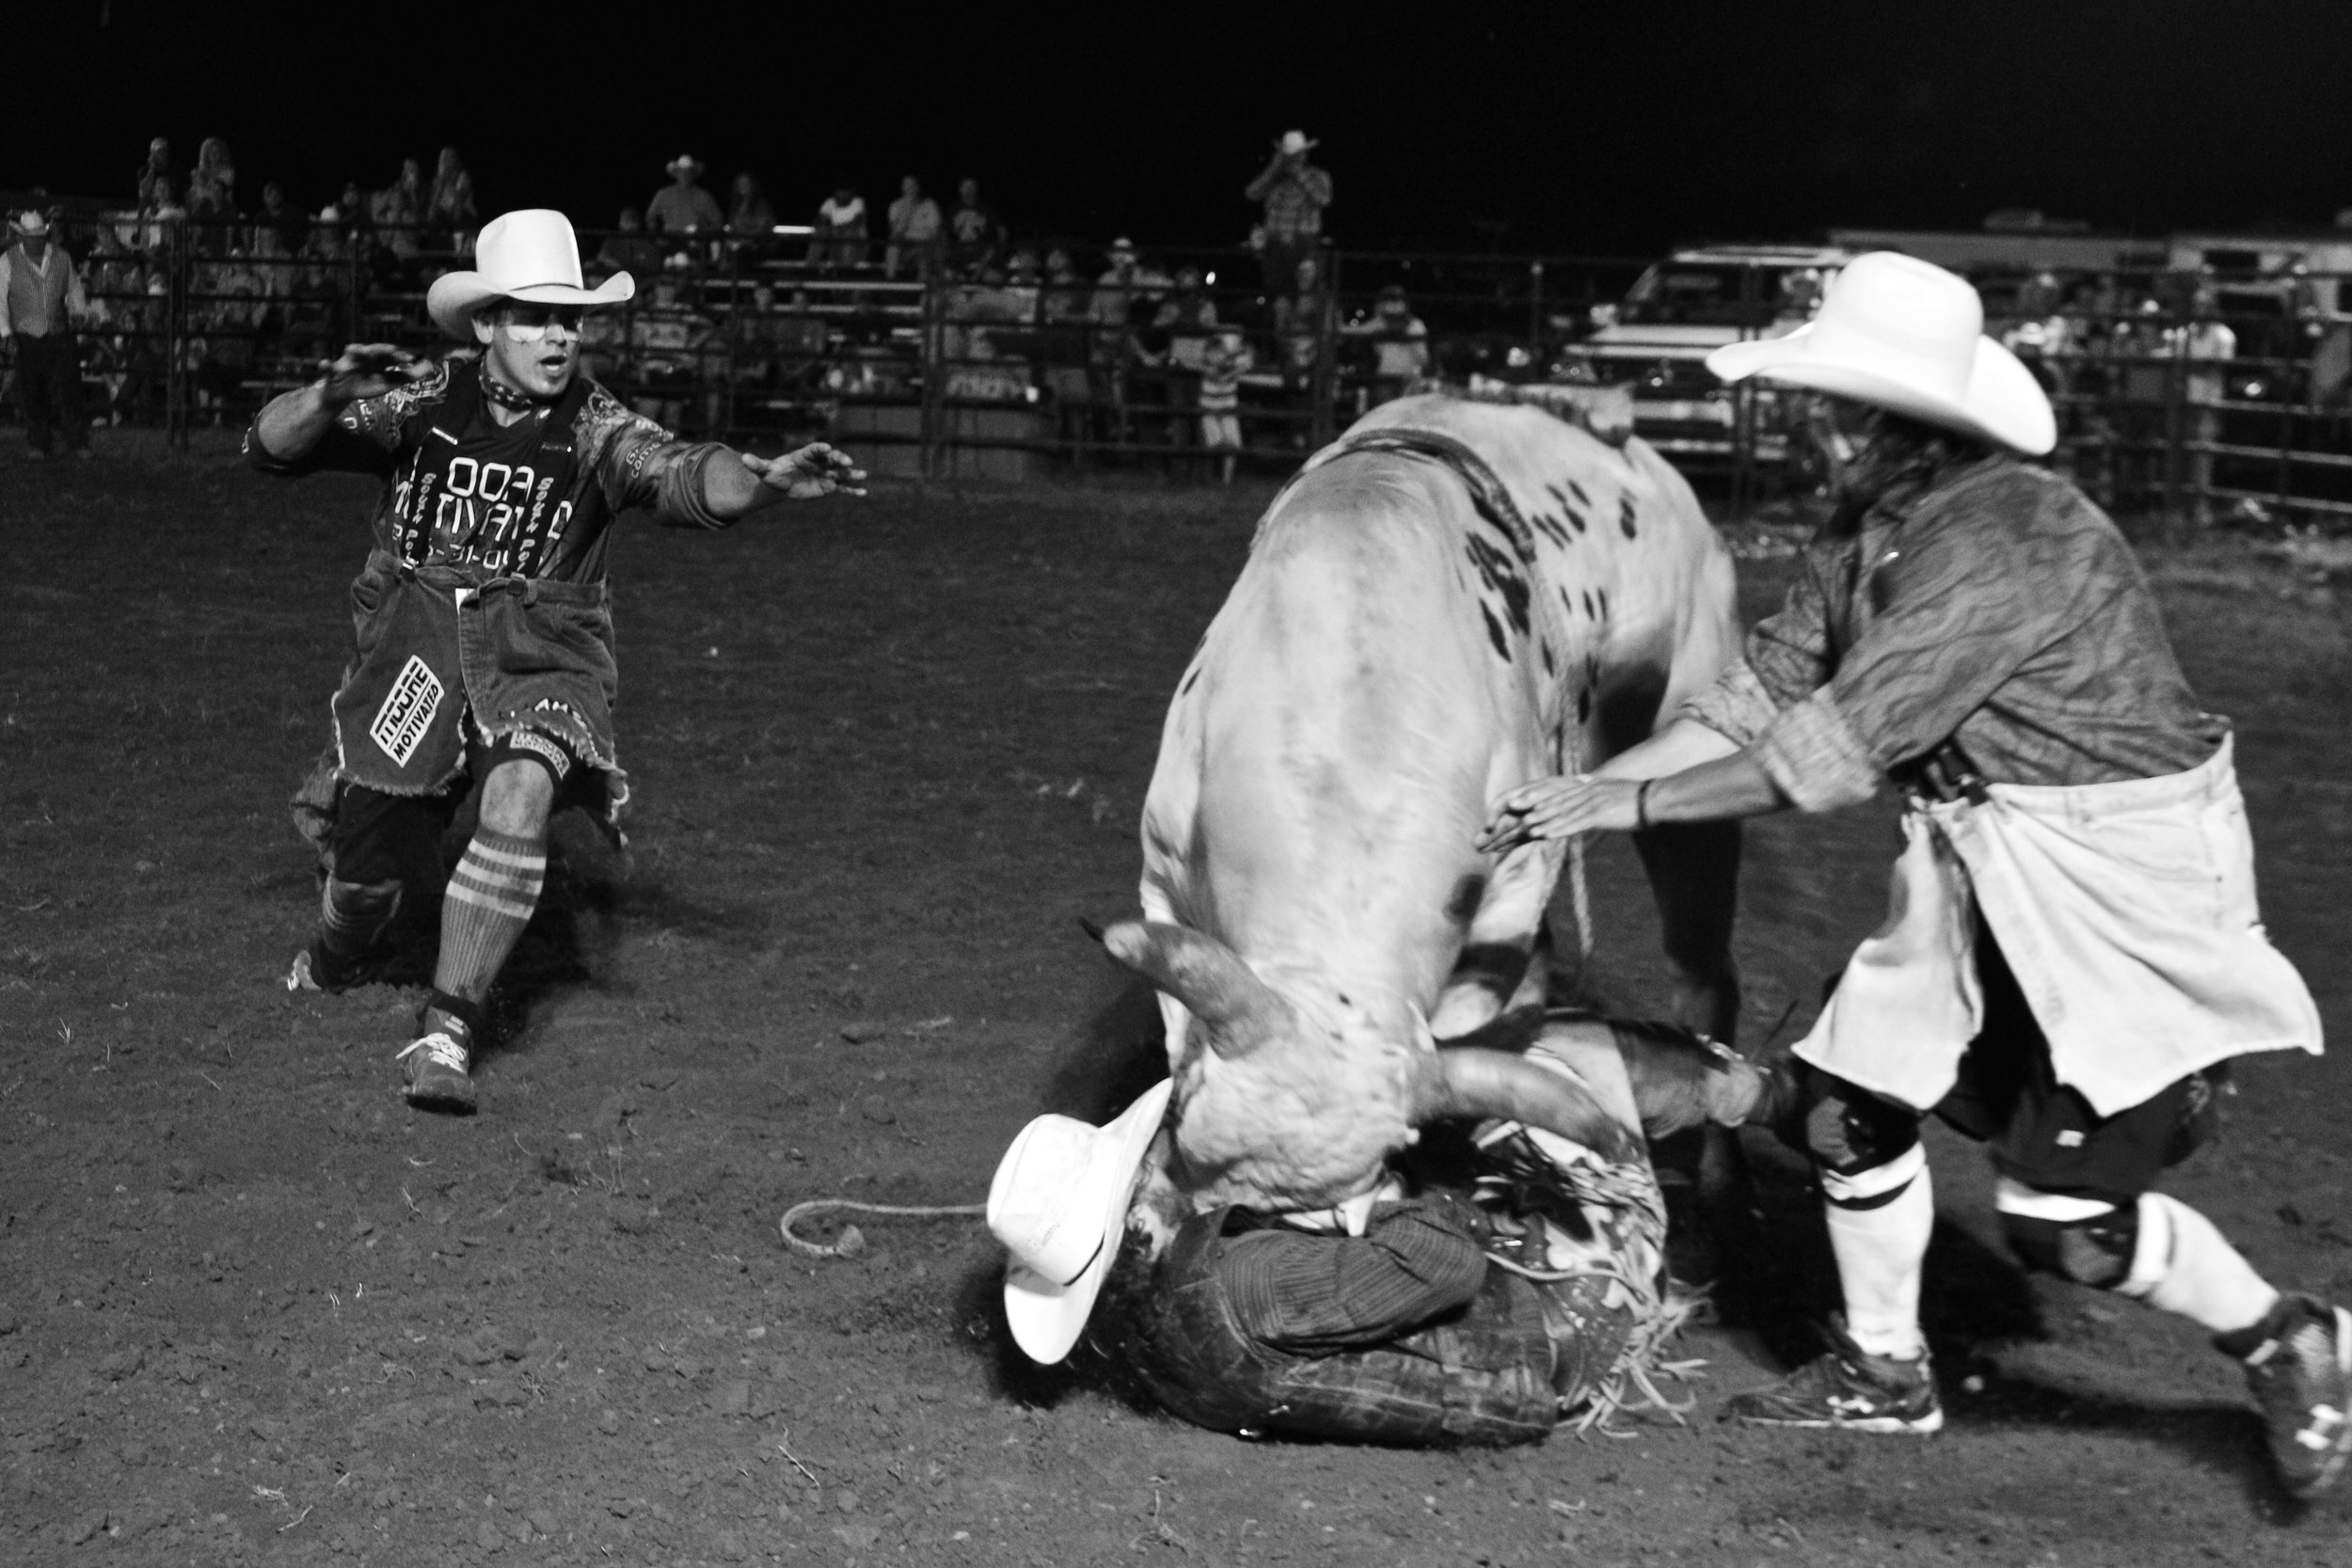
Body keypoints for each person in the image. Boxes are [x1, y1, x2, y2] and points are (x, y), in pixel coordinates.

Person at [1479, 252, 2348, 1498]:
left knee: (2067, 1226)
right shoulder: (1870, 531)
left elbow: (1825, 756)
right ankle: (1882, 1372)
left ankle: (2290, 1332)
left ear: (1900, 422)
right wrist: (1577, 800)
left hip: (2117, 879)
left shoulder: (2009, 542)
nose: (1815, 426)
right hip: (1975, 849)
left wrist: (1627, 800)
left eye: (1834, 406)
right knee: (1848, 1104)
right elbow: (1760, 693)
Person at [250, 209, 864, 1115]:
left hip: (539, 652)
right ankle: (338, 953)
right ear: (489, 324)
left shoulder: (595, 426)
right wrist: (328, 394)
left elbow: (683, 474)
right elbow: (270, 449)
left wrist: (764, 482)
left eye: (569, 319)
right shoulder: (423, 402)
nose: (557, 336)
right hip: (414, 648)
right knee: (366, 883)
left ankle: (447, 1028)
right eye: (536, 317)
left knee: (523, 789)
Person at [989, 1014, 1709, 1444]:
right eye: (1144, 1172)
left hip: (1493, 1374)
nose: (1162, 1165)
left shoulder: (1152, 1349)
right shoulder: (1242, 1280)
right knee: (1554, 1047)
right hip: (1568, 1330)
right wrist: (1394, 1187)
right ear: (1136, 1220)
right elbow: (1444, 1264)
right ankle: (1755, 1094)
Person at [1, 211, 93, 458]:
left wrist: (78, 311)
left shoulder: (61, 258)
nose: (37, 241)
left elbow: (73, 287)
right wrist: (6, 333)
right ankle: (40, 442)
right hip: (26, 334)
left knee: (69, 387)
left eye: (39, 236)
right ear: (22, 238)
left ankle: (75, 440)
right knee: (33, 391)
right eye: (32, 237)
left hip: (56, 331)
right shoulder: (7, 261)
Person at [2169, 289, 2236, 526]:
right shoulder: (2183, 334)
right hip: (2185, 401)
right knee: (2182, 456)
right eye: (2197, 305)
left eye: (2206, 305)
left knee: (2203, 457)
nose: (2201, 310)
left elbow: (2215, 367)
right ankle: (2180, 509)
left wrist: (2188, 365)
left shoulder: (2223, 335)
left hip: (2209, 402)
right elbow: (2182, 368)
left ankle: (2201, 508)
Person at [1246, 130, 1333, 295]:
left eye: (1297, 155)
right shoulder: (1274, 178)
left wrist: (1299, 175)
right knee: (1278, 297)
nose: (1293, 159)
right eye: (1289, 156)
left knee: (1305, 296)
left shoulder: (1318, 176)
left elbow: (1323, 199)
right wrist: (1274, 169)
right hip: (1275, 244)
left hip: (1304, 244)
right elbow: (1252, 193)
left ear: (1305, 155)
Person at [1343, 283, 1430, 404]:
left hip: (1404, 379)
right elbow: (1423, 358)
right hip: (1392, 379)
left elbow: (1422, 357)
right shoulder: (1383, 323)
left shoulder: (1413, 326)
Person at [1197, 324, 1252, 484]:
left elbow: (1248, 362)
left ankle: (1226, 480)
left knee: (1233, 444)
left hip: (1228, 404)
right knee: (1214, 444)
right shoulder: (1210, 355)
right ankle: (1207, 478)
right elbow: (1213, 371)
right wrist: (1232, 369)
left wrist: (1234, 368)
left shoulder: (1238, 358)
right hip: (1209, 406)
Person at [647, 154, 723, 239]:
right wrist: (657, 237)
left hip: (695, 242)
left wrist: (702, 231)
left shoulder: (704, 196)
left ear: (693, 174)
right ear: (676, 174)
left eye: (688, 172)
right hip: (669, 240)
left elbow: (718, 222)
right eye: (681, 172)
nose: (684, 176)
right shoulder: (663, 194)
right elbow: (650, 217)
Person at [884, 176, 942, 279]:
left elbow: (934, 231)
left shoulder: (930, 205)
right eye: (907, 186)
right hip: (905, 247)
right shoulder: (895, 206)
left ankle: (922, 289)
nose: (911, 188)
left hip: (924, 245)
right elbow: (896, 233)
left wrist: (918, 238)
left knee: (925, 251)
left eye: (913, 185)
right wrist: (908, 209)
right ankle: (890, 282)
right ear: (902, 188)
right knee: (893, 246)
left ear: (918, 187)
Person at [807, 180, 867, 271]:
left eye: (846, 190)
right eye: (840, 190)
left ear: (851, 192)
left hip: (855, 238)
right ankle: (810, 267)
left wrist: (838, 228)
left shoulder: (858, 202)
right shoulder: (829, 202)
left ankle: (846, 270)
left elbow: (857, 222)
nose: (843, 193)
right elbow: (820, 220)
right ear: (836, 191)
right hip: (834, 237)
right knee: (820, 232)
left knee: (849, 233)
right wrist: (826, 227)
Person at [946, 177, 1001, 276]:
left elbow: (1001, 230)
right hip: (959, 252)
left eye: (971, 186)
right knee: (948, 274)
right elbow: (944, 232)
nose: (968, 189)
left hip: (982, 251)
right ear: (960, 189)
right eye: (965, 186)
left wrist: (1000, 247)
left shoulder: (986, 207)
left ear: (976, 189)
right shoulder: (953, 209)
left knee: (993, 276)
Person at [428, 148, 478, 250]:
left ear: (455, 160)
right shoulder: (437, 181)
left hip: (464, 220)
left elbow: (457, 210)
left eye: (448, 158)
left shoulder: (463, 177)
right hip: (445, 223)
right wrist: (440, 184)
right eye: (443, 158)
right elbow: (431, 214)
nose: (444, 162)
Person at [725, 172, 776, 241]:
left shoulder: (762, 205)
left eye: (746, 183)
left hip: (759, 245)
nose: (742, 186)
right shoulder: (735, 206)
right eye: (740, 183)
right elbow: (733, 227)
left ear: (752, 185)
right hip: (740, 244)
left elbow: (762, 228)